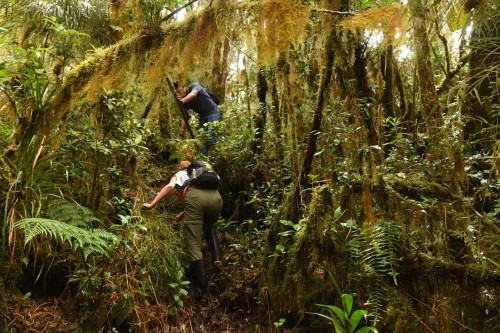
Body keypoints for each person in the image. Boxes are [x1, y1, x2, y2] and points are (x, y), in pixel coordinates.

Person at [143, 160, 223, 300]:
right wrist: (182, 213)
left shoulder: (180, 174)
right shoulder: (202, 173)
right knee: (208, 227)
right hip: (216, 198)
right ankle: (216, 258)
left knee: (193, 243)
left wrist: (152, 204)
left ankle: (201, 291)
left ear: (180, 168)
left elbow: (170, 186)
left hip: (195, 199)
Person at [175, 81, 221, 155]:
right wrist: (182, 128)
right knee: (201, 139)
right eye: (176, 93)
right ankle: (203, 159)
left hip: (213, 113)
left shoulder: (194, 85)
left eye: (178, 91)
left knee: (211, 136)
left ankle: (214, 158)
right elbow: (185, 116)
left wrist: (182, 101)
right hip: (203, 117)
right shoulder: (184, 101)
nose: (178, 94)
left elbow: (193, 94)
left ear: (183, 86)